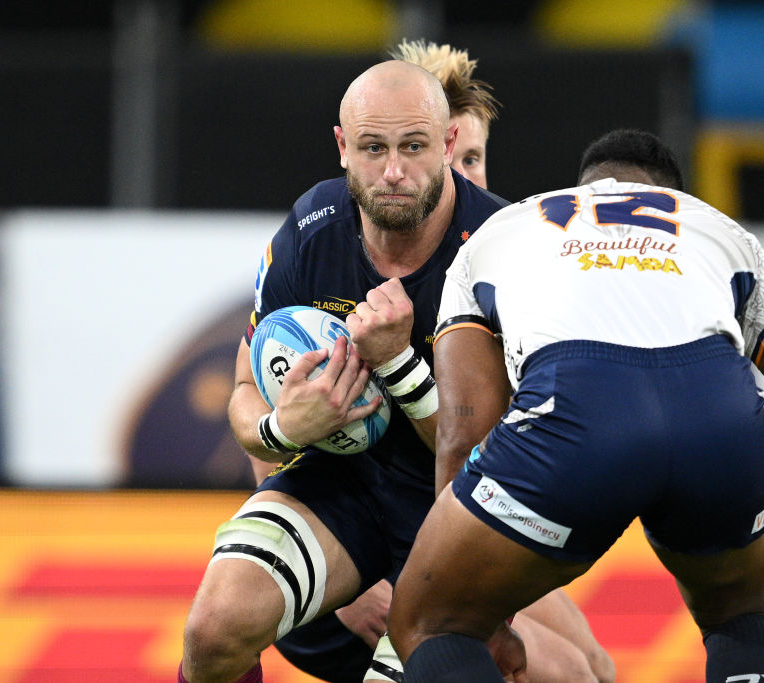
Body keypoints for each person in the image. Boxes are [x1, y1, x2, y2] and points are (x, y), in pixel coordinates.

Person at [388, 129, 764, 682]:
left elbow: (462, 434)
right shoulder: (715, 229)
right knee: (740, 620)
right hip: (717, 420)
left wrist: (481, 605)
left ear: (584, 187)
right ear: (674, 196)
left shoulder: (497, 233)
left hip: (576, 424)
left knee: (432, 624)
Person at [258, 41, 611, 683]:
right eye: (453, 158)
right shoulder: (324, 239)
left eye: (474, 160)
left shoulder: (500, 251)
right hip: (362, 527)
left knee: (596, 664)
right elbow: (268, 391)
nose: (463, 181)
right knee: (561, 672)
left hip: (455, 515)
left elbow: (497, 449)